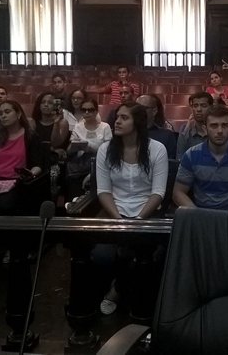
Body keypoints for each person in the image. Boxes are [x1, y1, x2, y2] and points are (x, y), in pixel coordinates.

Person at [92, 102, 169, 317]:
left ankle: (118, 289)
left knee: (146, 253)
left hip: (147, 211)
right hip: (114, 211)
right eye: (117, 117)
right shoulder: (106, 149)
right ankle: (122, 287)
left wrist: (138, 219)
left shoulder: (157, 149)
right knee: (101, 255)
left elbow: (158, 192)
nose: (117, 121)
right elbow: (104, 191)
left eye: (124, 118)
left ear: (138, 122)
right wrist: (119, 220)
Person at [0, 100, 45, 215]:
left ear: (18, 114)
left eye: (7, 112)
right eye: (1, 113)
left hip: (18, 182)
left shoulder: (30, 136)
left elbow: (38, 165)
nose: (3, 116)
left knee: (5, 204)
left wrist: (30, 174)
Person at [66, 98, 112, 198]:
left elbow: (108, 151)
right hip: (79, 166)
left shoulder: (105, 127)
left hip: (99, 165)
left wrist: (90, 148)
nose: (87, 112)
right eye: (84, 110)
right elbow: (69, 151)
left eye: (90, 110)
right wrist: (74, 147)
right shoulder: (78, 127)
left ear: (96, 111)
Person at [136, 94, 177, 159]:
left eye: (142, 108)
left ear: (154, 111)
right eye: (136, 108)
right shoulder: (127, 133)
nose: (137, 112)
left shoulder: (167, 136)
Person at [31, 91, 71, 158]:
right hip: (36, 157)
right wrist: (51, 150)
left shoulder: (63, 123)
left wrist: (56, 123)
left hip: (56, 159)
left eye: (50, 103)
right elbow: (31, 146)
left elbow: (56, 143)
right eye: (43, 102)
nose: (46, 105)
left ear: (56, 106)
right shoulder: (33, 122)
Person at [176, 92, 213, 158]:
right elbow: (180, 158)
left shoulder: (218, 128)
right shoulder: (185, 129)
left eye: (203, 106)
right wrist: (186, 131)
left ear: (211, 107)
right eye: (195, 106)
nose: (199, 109)